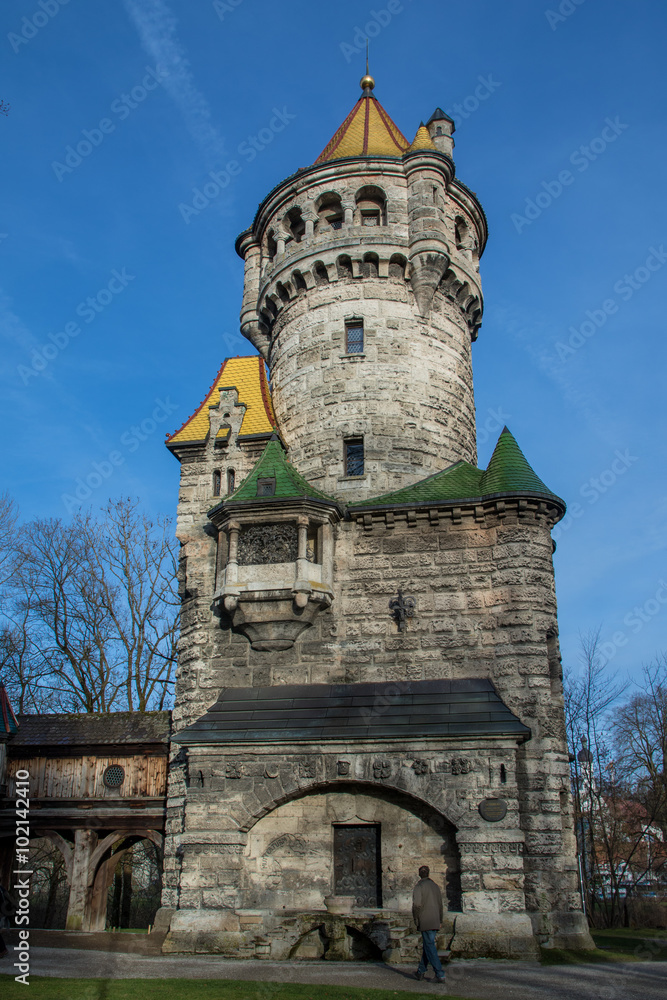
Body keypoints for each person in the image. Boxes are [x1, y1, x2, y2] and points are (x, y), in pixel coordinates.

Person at [412, 864, 445, 983]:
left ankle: (440, 974)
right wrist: (440, 920)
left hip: (425, 920)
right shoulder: (435, 886)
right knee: (428, 945)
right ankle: (421, 971)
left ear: (419, 874)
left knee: (430, 947)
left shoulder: (419, 886)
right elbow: (440, 905)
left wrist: (416, 919)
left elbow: (417, 905)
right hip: (435, 919)